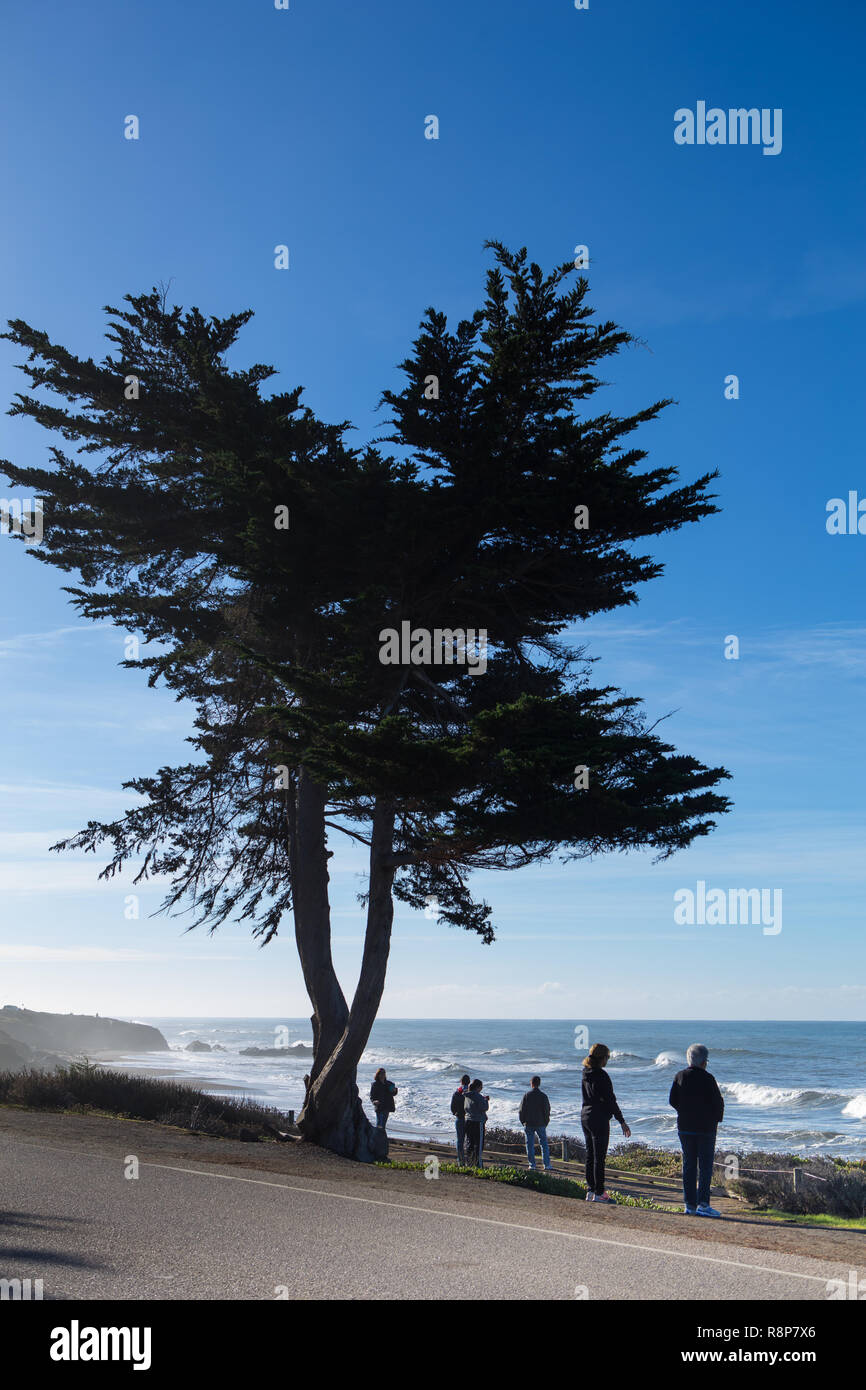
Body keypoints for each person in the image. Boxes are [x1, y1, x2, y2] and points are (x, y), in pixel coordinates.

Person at [669, 1043, 724, 1217]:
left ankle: (689, 1205)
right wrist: (716, 1119)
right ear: (704, 1062)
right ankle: (703, 1204)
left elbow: (672, 1100)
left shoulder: (680, 1076)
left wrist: (683, 1111)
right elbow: (718, 1103)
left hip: (685, 1127)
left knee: (689, 1166)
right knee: (705, 1167)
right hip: (706, 1129)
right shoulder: (708, 1078)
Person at [581, 1043, 630, 1203]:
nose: (608, 1060)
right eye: (607, 1057)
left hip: (585, 1116)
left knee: (590, 1155)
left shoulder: (585, 1073)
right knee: (599, 1157)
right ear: (602, 1058)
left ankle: (591, 1190)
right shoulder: (602, 1075)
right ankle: (600, 1192)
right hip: (598, 1118)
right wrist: (621, 1121)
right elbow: (610, 1100)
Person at [519, 1075, 552, 1174]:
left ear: (531, 1083)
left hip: (529, 1123)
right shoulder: (543, 1096)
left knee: (529, 1144)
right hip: (541, 1123)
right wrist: (546, 1122)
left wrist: (523, 1121)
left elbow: (521, 1110)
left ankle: (532, 1165)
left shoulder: (527, 1095)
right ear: (539, 1083)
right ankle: (547, 1165)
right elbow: (547, 1110)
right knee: (544, 1144)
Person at [463, 1079, 489, 1167]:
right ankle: (478, 1164)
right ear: (478, 1087)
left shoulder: (467, 1095)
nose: (481, 1089)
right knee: (478, 1144)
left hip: (468, 1120)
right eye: (481, 1087)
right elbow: (484, 1107)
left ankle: (469, 1163)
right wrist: (486, 1100)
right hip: (478, 1122)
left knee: (470, 1142)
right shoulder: (478, 1096)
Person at [450, 1073, 471, 1163]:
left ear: (461, 1082)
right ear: (469, 1082)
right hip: (470, 1119)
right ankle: (470, 1159)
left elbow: (452, 1108)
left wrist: (456, 1113)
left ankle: (460, 1160)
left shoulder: (457, 1093)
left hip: (460, 1118)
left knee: (460, 1140)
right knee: (470, 1140)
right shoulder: (471, 1092)